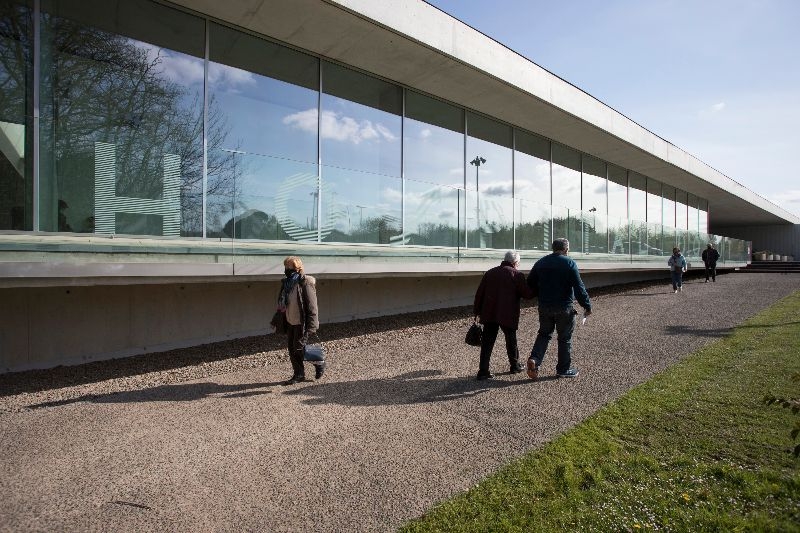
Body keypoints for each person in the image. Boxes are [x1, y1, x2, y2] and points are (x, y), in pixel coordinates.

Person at [526, 238, 591, 380]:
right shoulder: (569, 263)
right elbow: (579, 288)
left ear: (553, 248)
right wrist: (586, 305)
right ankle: (563, 369)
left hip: (545, 307)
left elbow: (530, 283)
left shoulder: (541, 263)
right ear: (566, 249)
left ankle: (535, 360)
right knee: (564, 339)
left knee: (544, 334)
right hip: (564, 307)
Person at [473, 250, 534, 380]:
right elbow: (527, 294)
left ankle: (483, 370)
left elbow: (480, 294)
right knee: (511, 340)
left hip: (489, 312)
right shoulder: (516, 274)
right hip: (507, 313)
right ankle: (514, 365)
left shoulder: (490, 273)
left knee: (487, 342)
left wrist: (477, 311)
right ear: (515, 262)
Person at [270, 256, 324, 384]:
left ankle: (319, 362)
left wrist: (311, 326)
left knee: (299, 348)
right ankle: (299, 374)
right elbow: (281, 305)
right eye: (286, 267)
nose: (286, 269)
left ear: (296, 268)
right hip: (290, 321)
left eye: (289, 267)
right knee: (292, 348)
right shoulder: (286, 284)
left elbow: (312, 306)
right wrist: (275, 321)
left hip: (302, 322)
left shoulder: (305, 283)